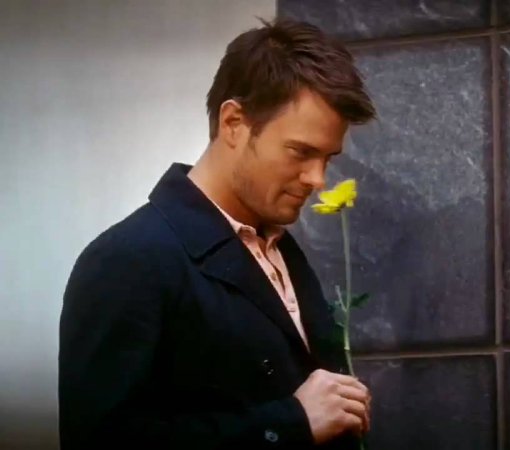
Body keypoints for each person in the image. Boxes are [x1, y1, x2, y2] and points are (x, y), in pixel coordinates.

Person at [59, 18, 376, 450]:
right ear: (233, 123)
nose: (318, 179)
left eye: (328, 157)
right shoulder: (126, 259)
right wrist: (290, 422)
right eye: (300, 152)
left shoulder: (280, 247)